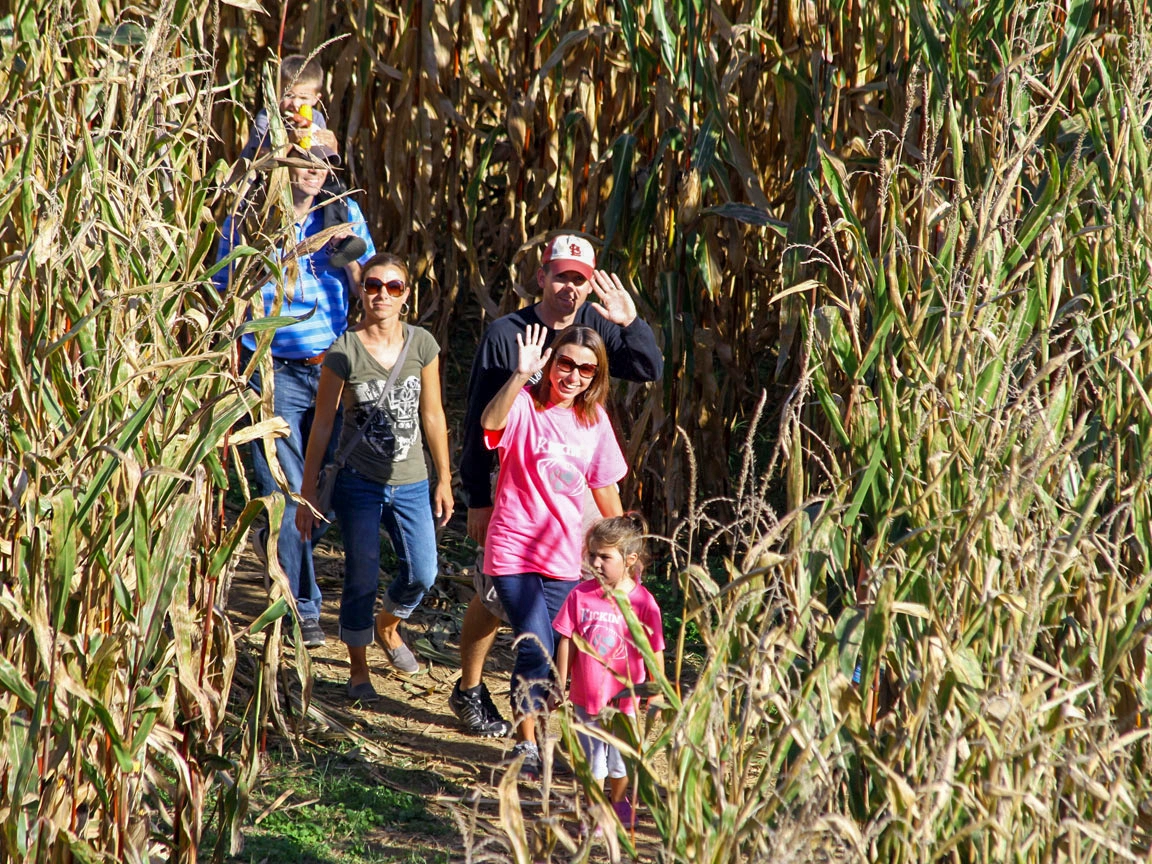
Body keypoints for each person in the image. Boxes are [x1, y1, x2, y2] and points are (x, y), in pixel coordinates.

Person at [449, 234, 664, 737]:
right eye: (562, 275)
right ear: (542, 275)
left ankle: (544, 720)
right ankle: (472, 687)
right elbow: (480, 420)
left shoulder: (596, 329)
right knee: (501, 603)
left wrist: (629, 323)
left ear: (590, 287)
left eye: (581, 280)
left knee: (546, 622)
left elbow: (648, 369)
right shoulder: (508, 332)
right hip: (514, 480)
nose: (570, 287)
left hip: (575, 489)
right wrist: (477, 497)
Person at [214, 141, 376, 648]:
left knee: (324, 486)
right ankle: (302, 604)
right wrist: (235, 360)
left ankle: (278, 543)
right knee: (286, 490)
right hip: (273, 368)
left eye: (322, 161)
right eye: (301, 159)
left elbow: (369, 287)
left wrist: (348, 256)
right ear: (280, 165)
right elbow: (226, 286)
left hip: (329, 366)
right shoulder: (249, 217)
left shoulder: (342, 209)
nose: (312, 169)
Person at [295, 253, 453, 699]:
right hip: (359, 483)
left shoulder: (422, 344)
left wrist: (444, 478)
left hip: (411, 480)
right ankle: (358, 669)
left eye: (394, 287)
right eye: (373, 286)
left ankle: (389, 626)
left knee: (422, 571)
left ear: (406, 294)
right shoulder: (344, 350)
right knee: (361, 575)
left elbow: (433, 415)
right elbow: (322, 425)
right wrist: (308, 494)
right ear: (361, 291)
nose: (383, 294)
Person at [480, 323, 628, 777]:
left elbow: (605, 490)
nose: (574, 375)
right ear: (551, 363)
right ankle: (525, 745)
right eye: (566, 363)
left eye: (587, 368)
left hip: (565, 557)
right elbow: (490, 423)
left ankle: (541, 734)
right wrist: (520, 375)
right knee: (536, 648)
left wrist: (623, 555)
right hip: (513, 550)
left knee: (557, 660)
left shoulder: (594, 420)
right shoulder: (525, 404)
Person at [553, 513, 664, 829]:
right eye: (592, 556)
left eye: (605, 557)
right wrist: (560, 682)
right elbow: (567, 640)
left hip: (624, 702)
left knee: (618, 763)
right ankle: (596, 813)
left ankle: (618, 802)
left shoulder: (643, 602)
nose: (596, 563)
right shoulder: (580, 595)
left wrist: (657, 689)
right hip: (584, 697)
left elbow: (653, 649)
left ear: (630, 560)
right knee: (592, 764)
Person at [241, 53, 366, 270]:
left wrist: (332, 146)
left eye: (304, 99)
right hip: (269, 182)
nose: (295, 105)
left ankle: (338, 238)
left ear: (317, 99)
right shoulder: (266, 119)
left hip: (304, 176)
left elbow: (324, 158)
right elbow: (260, 160)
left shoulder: (316, 118)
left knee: (334, 186)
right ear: (276, 94)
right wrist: (287, 141)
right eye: (288, 95)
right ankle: (273, 237)